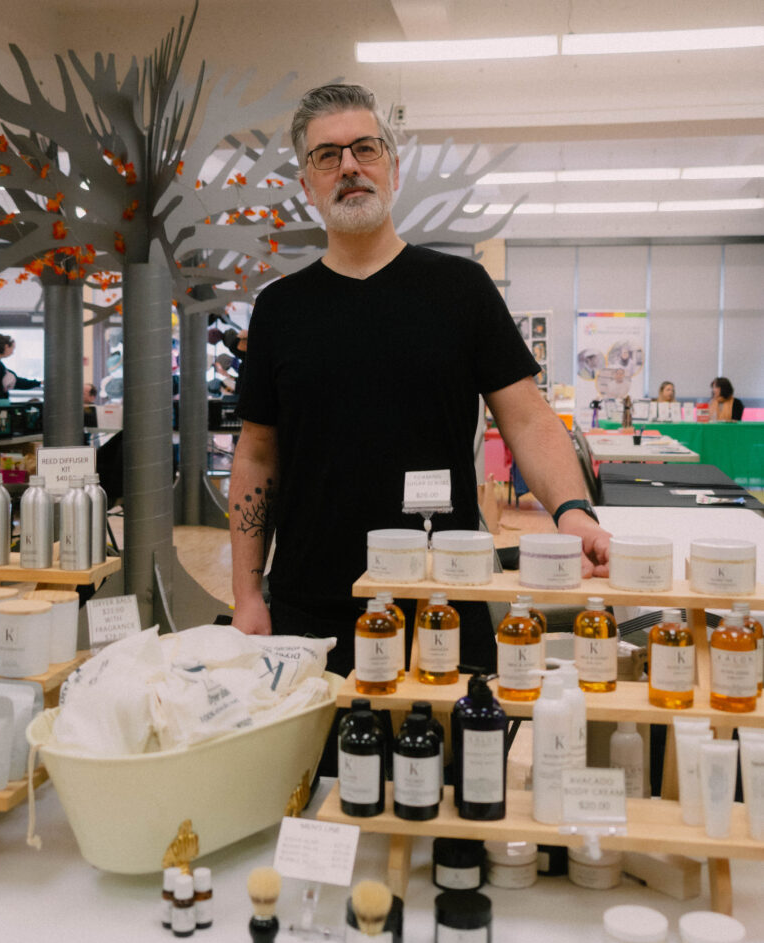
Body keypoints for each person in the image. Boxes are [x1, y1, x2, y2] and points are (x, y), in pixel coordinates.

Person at [229, 83, 610, 676]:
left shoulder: (461, 289)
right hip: (311, 606)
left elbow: (528, 419)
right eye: (327, 155)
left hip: (444, 596)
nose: (349, 166)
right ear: (307, 186)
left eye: (365, 148)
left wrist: (574, 511)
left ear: (394, 168)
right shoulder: (280, 309)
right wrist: (248, 595)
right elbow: (256, 455)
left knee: (459, 740)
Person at [0, 333, 41, 404]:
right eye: (13, 348)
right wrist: (38, 383)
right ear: (6, 347)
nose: (13, 352)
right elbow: (15, 382)